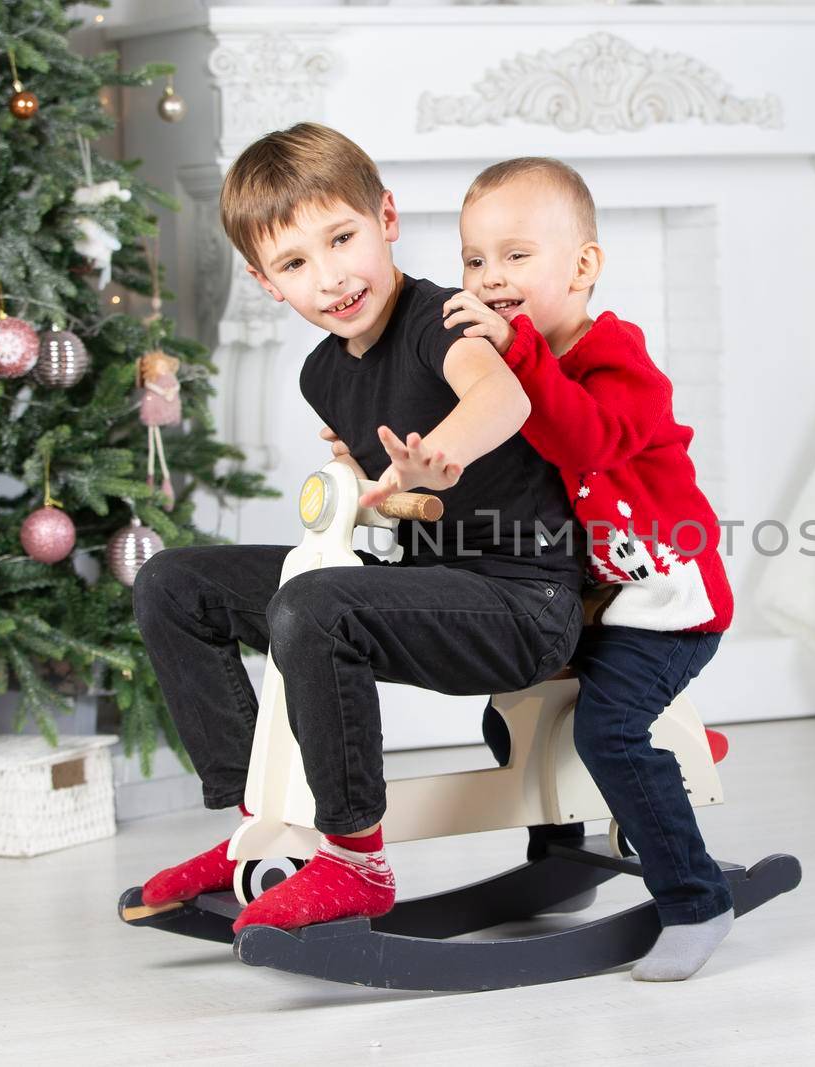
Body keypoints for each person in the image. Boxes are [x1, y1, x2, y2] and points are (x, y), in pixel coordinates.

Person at [131, 125, 583, 934]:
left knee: (315, 602)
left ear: (387, 218)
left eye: (342, 238)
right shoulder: (323, 371)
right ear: (265, 282)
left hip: (524, 600)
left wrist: (430, 459)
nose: (331, 277)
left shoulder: (443, 317)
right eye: (295, 263)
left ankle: (356, 859)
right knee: (174, 583)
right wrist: (373, 484)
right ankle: (262, 824)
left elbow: (503, 400)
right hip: (431, 582)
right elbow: (394, 476)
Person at [444, 157, 737, 981]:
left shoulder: (617, 359)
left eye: (514, 255)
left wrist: (520, 354)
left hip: (668, 601)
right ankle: (562, 857)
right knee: (513, 712)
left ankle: (694, 896)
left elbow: (588, 439)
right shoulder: (510, 372)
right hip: (588, 601)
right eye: (473, 260)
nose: (490, 277)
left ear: (582, 268)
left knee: (608, 728)